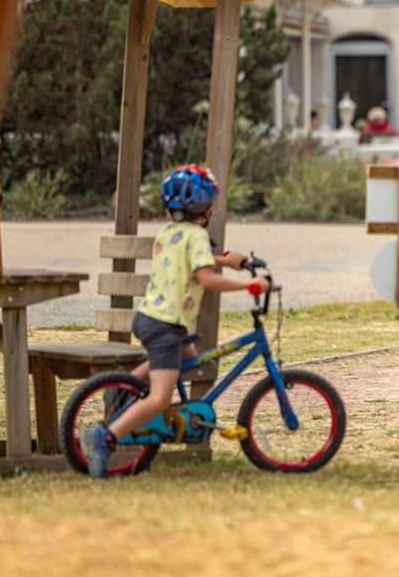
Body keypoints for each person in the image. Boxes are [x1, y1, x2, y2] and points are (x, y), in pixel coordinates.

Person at [82, 164, 268, 478]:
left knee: (186, 360)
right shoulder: (198, 236)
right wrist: (250, 285)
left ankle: (124, 389)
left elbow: (190, 258)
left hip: (150, 318)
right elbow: (206, 279)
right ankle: (105, 437)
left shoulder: (169, 232)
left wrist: (226, 261)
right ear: (206, 209)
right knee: (160, 398)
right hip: (167, 326)